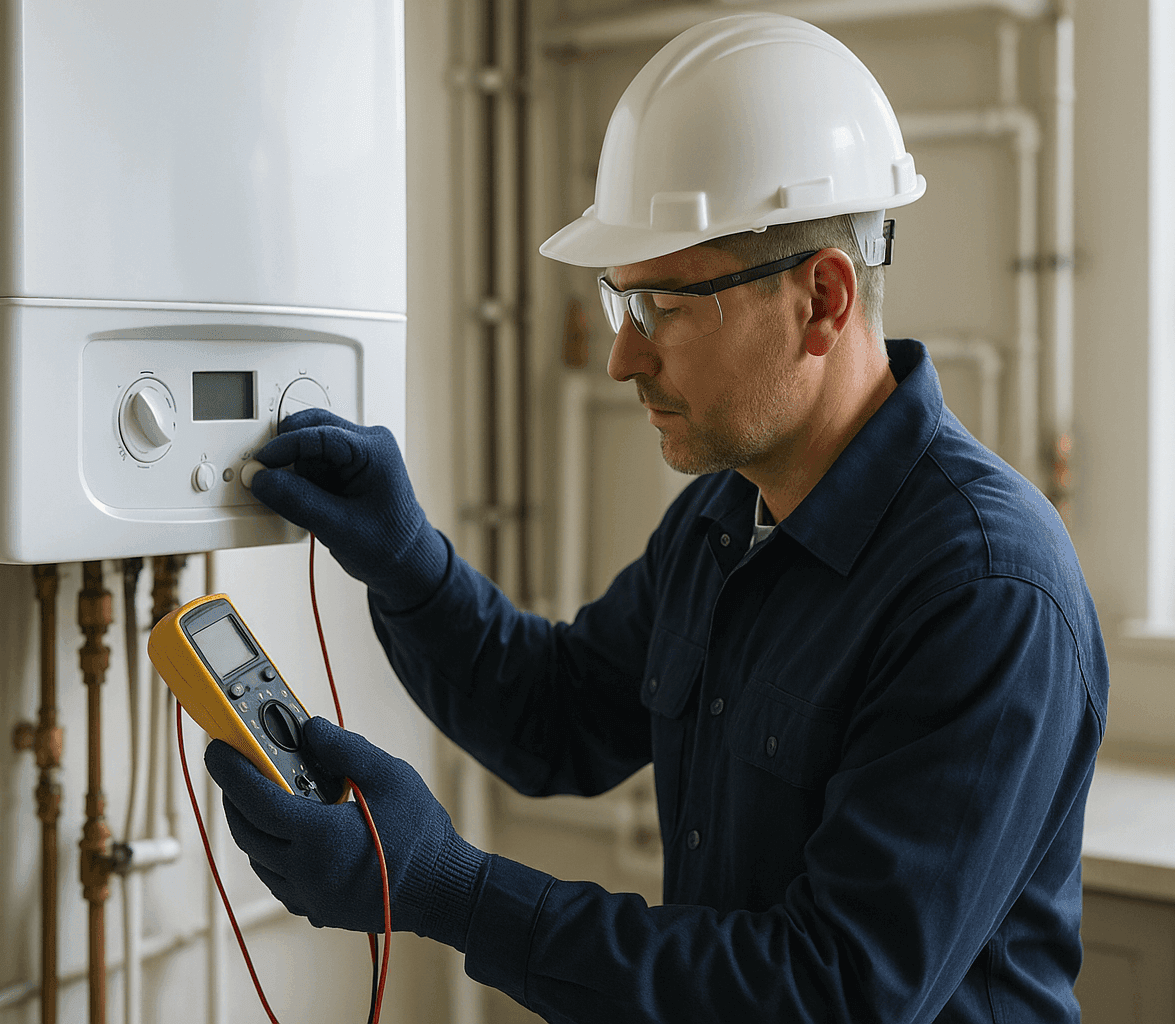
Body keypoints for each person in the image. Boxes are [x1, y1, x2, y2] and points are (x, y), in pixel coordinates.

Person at [205, 13, 1108, 1023]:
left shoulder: (984, 591)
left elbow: (831, 992)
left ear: (823, 298)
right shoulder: (730, 517)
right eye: (619, 303)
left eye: (664, 310)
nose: (622, 360)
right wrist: (409, 562)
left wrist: (446, 888)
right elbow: (557, 718)